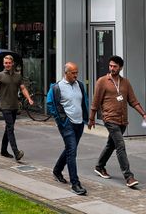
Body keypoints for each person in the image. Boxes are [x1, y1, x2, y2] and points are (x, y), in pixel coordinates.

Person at [89, 55, 146, 189]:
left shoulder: (126, 83)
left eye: (115, 66)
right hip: (109, 119)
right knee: (120, 145)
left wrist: (144, 114)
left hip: (122, 120)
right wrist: (91, 118)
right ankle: (129, 177)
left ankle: (99, 166)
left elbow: (133, 101)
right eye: (110, 66)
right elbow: (95, 101)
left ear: (120, 67)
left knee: (111, 144)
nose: (112, 68)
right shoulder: (102, 81)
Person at [46, 62, 89, 196]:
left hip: (79, 123)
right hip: (67, 124)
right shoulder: (57, 87)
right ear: (66, 73)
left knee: (71, 148)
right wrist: (61, 120)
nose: (76, 75)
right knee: (72, 151)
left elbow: (84, 102)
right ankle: (75, 183)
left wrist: (88, 118)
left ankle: (57, 170)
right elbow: (50, 104)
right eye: (73, 73)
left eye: (77, 72)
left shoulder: (80, 85)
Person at [0, 54, 33, 161]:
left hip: (15, 106)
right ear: (3, 64)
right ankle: (16, 152)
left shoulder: (18, 75)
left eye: (9, 63)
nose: (7, 65)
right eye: (6, 63)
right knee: (10, 128)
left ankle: (3, 150)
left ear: (12, 63)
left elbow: (23, 88)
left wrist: (29, 98)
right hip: (5, 106)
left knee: (8, 128)